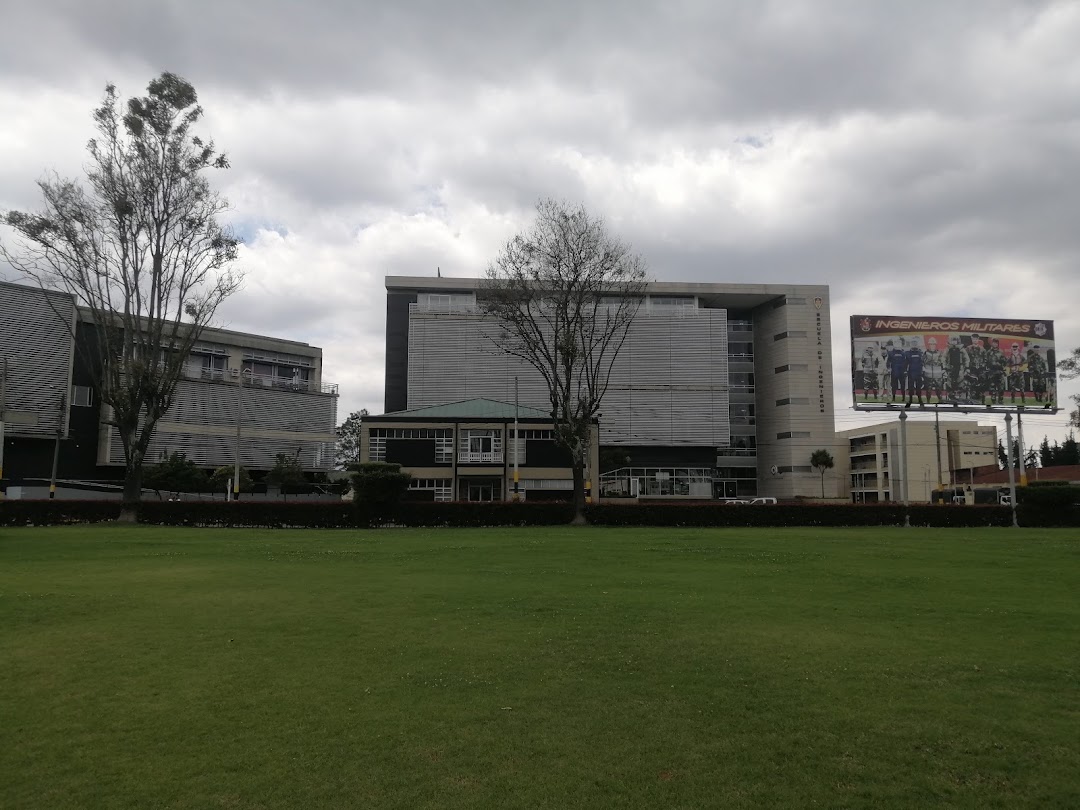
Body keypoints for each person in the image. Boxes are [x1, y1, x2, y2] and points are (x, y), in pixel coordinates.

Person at [945, 335, 968, 402]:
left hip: (960, 368)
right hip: (950, 368)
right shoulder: (947, 349)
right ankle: (951, 397)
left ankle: (959, 397)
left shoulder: (962, 349)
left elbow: (966, 359)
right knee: (950, 383)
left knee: (960, 382)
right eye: (953, 340)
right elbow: (943, 358)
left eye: (955, 340)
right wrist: (944, 368)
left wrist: (967, 368)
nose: (954, 342)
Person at [923, 336, 946, 403]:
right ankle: (928, 402)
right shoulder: (925, 353)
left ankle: (940, 402)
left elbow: (943, 362)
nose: (932, 346)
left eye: (933, 344)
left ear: (935, 345)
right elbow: (922, 362)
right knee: (928, 390)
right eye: (931, 344)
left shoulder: (939, 353)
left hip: (938, 376)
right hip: (928, 375)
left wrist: (943, 371)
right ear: (929, 345)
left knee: (939, 391)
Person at [905, 336, 925, 405]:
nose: (914, 345)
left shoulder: (920, 353)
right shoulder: (907, 353)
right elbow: (906, 363)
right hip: (911, 373)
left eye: (915, 343)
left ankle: (920, 400)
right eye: (913, 343)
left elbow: (922, 363)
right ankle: (910, 400)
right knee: (910, 388)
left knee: (918, 387)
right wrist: (905, 371)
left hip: (918, 373)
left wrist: (922, 371)